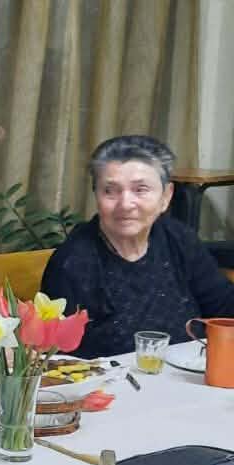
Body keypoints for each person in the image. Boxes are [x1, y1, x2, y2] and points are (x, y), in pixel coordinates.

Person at [41, 135, 234, 359]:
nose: (125, 204)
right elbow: (59, 359)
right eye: (110, 191)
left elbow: (223, 310)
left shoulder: (179, 239)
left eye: (140, 189)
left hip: (196, 373)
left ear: (166, 196)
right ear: (96, 196)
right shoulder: (72, 263)